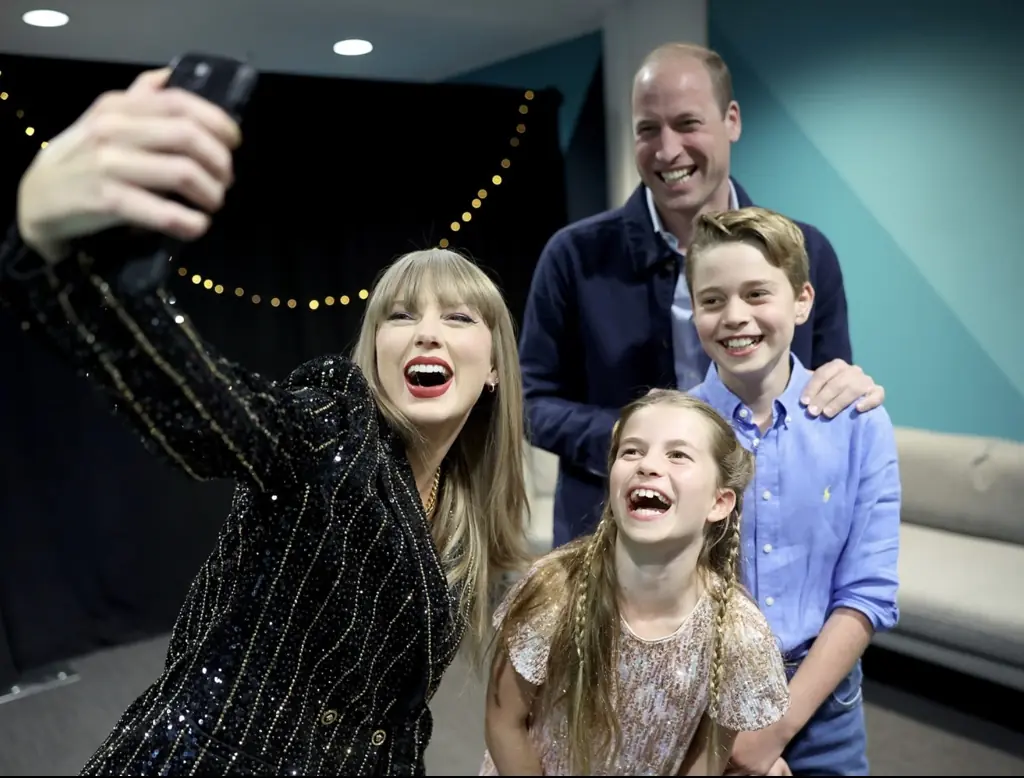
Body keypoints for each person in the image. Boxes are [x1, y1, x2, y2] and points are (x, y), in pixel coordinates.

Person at [0, 68, 532, 776]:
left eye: (457, 318)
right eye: (400, 317)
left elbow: (388, 722)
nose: (425, 334)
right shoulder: (331, 424)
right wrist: (53, 253)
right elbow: (209, 414)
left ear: (493, 366)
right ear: (374, 349)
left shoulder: (460, 512)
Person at [518, 42, 887, 547]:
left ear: (731, 120)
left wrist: (849, 386)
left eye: (687, 124)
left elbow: (825, 388)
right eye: (648, 129)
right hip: (609, 538)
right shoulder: (572, 256)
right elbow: (530, 401)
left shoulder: (808, 252)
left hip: (768, 540)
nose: (667, 150)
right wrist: (637, 440)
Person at [685, 207, 901, 776]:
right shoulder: (672, 427)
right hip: (699, 701)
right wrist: (730, 733)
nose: (735, 317)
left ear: (802, 300)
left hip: (824, 705)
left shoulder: (859, 423)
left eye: (758, 294)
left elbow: (868, 592)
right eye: (712, 300)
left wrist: (773, 731)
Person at [481, 390, 793, 776]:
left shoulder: (736, 633)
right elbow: (504, 720)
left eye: (678, 454)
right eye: (631, 451)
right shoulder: (555, 590)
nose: (647, 465)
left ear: (720, 502)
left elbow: (707, 761)